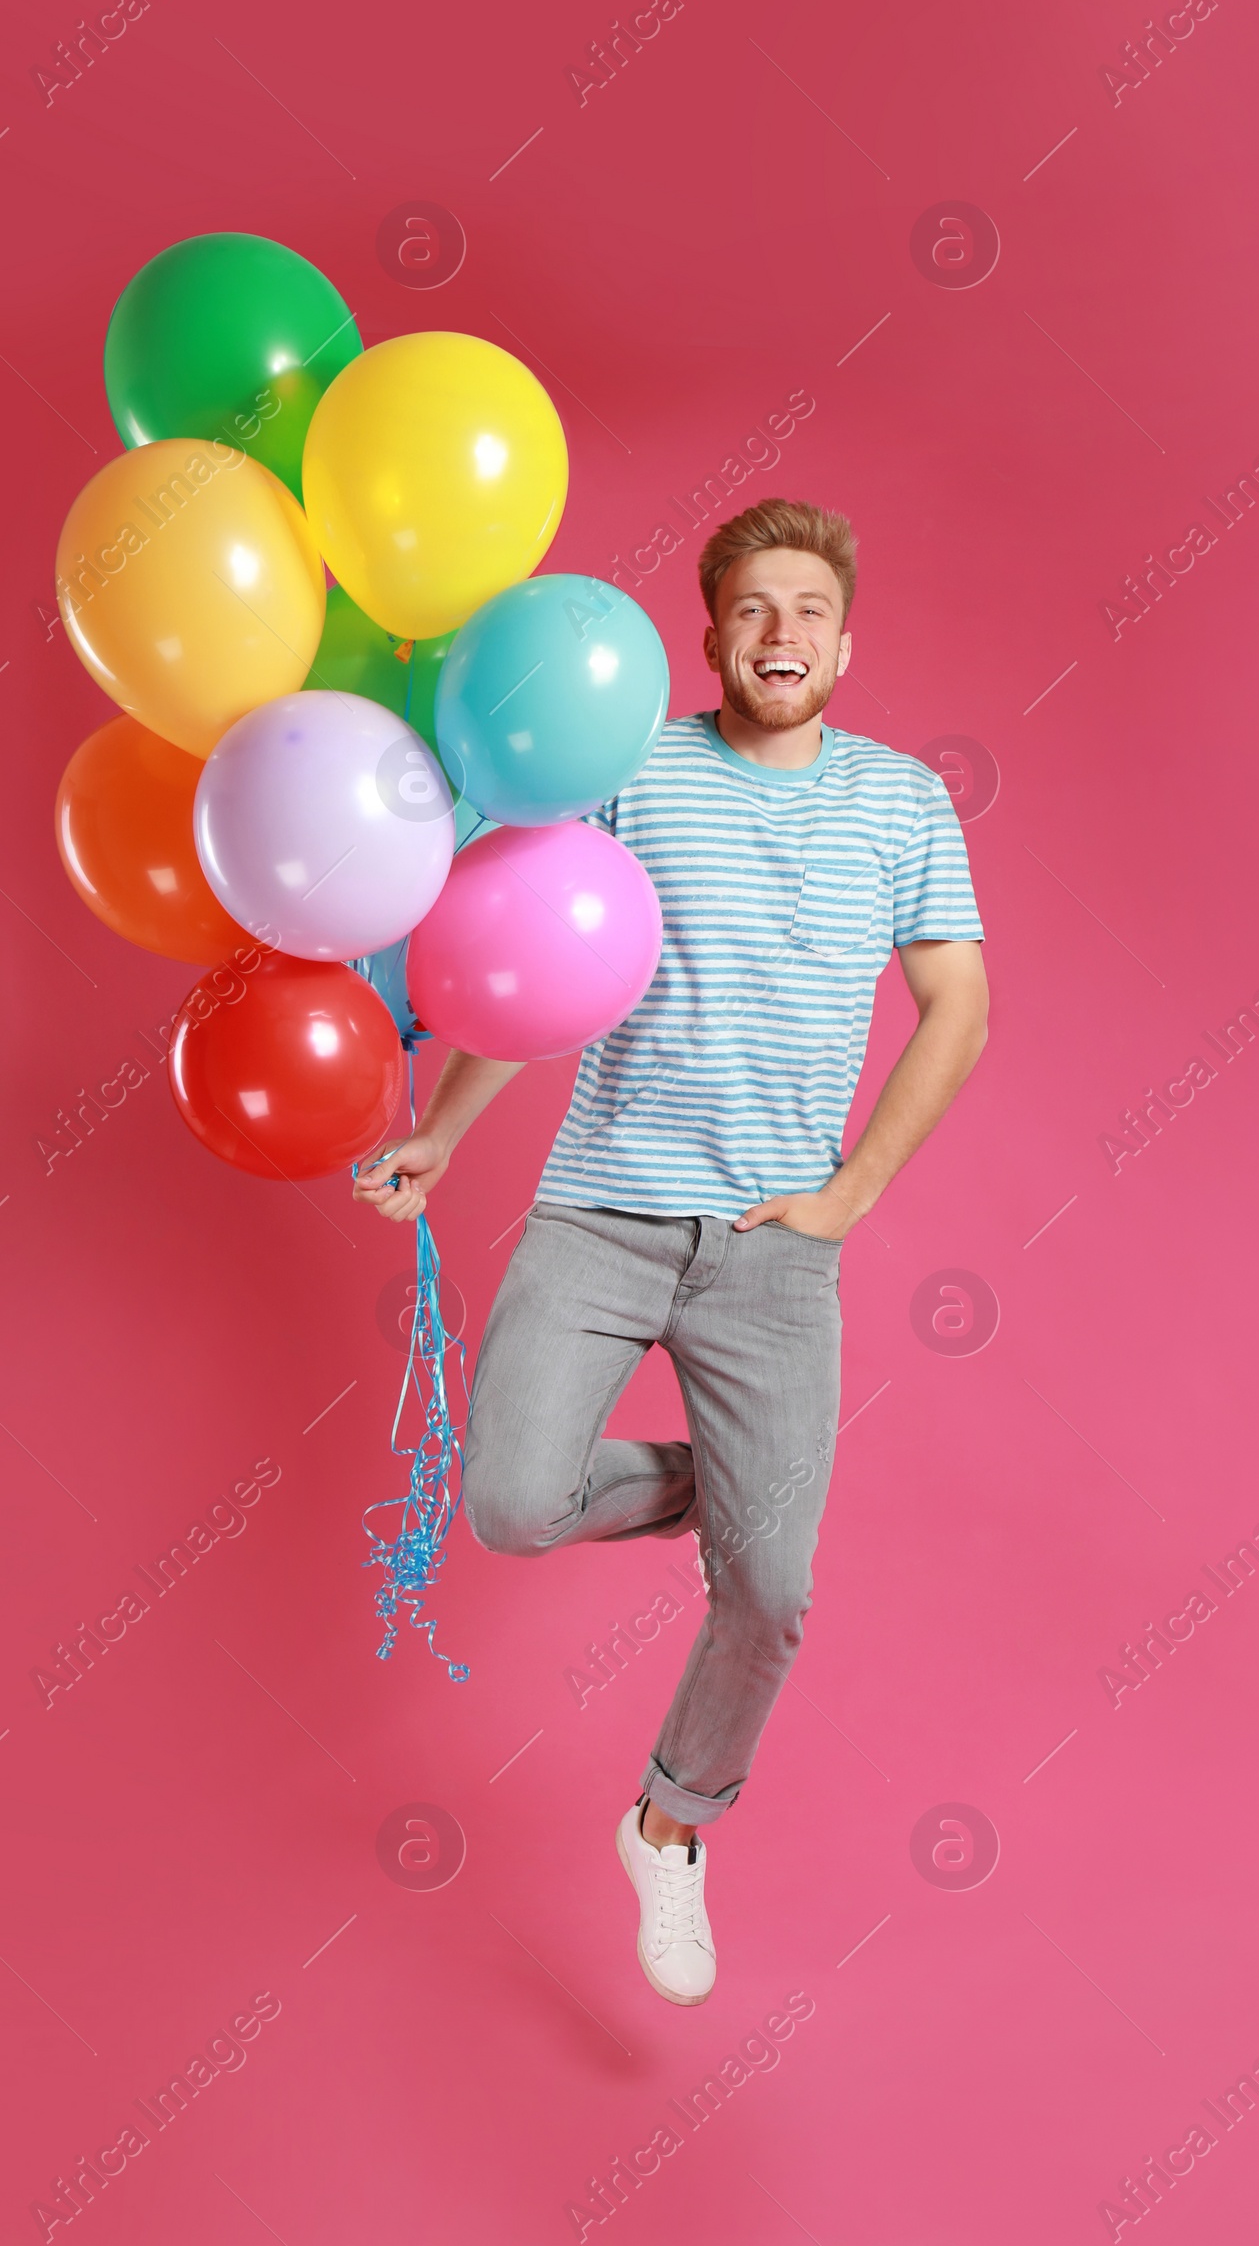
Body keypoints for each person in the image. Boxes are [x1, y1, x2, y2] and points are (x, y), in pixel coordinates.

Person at [354, 497, 989, 2006]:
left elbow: (958, 1010)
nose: (783, 634)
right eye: (754, 609)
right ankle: (743, 1477)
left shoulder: (902, 805)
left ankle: (672, 1827)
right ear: (708, 634)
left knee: (772, 1590)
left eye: (809, 610)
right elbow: (544, 973)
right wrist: (442, 1132)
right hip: (601, 1213)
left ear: (847, 638)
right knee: (508, 1503)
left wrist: (851, 1196)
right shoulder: (630, 774)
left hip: (775, 1251)